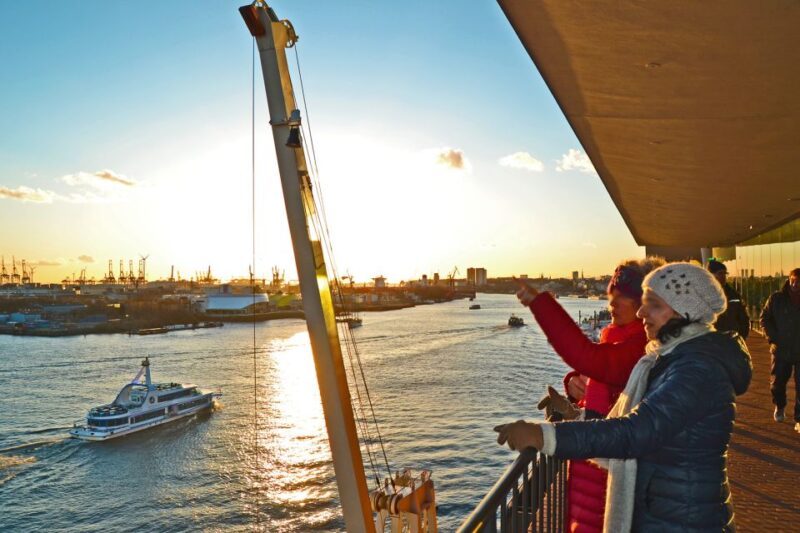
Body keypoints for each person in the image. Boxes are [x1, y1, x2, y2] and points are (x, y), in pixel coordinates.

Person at [497, 262, 752, 531]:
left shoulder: (698, 368)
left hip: (683, 519)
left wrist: (543, 436)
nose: (642, 312)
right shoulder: (674, 358)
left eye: (652, 303)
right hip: (672, 510)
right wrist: (577, 414)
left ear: (684, 310)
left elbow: (636, 431)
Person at [517, 257, 662, 533]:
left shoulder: (638, 348)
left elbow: (588, 357)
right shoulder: (618, 341)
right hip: (593, 473)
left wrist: (540, 303)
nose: (612, 304)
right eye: (611, 296)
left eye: (621, 297)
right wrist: (574, 392)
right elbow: (602, 386)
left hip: (608, 479)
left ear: (642, 303)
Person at [760, 267, 800, 431]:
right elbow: (765, 318)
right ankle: (780, 405)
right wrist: (772, 338)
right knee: (777, 384)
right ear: (788, 279)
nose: (795, 284)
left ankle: (799, 419)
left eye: (799, 281)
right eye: (793, 280)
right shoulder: (776, 298)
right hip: (781, 349)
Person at [707, 259, 750, 339]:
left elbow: (743, 317)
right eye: (720, 273)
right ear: (711, 275)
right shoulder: (704, 295)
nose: (724, 276)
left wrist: (743, 335)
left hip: (732, 339)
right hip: (712, 341)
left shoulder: (734, 295)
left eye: (725, 274)